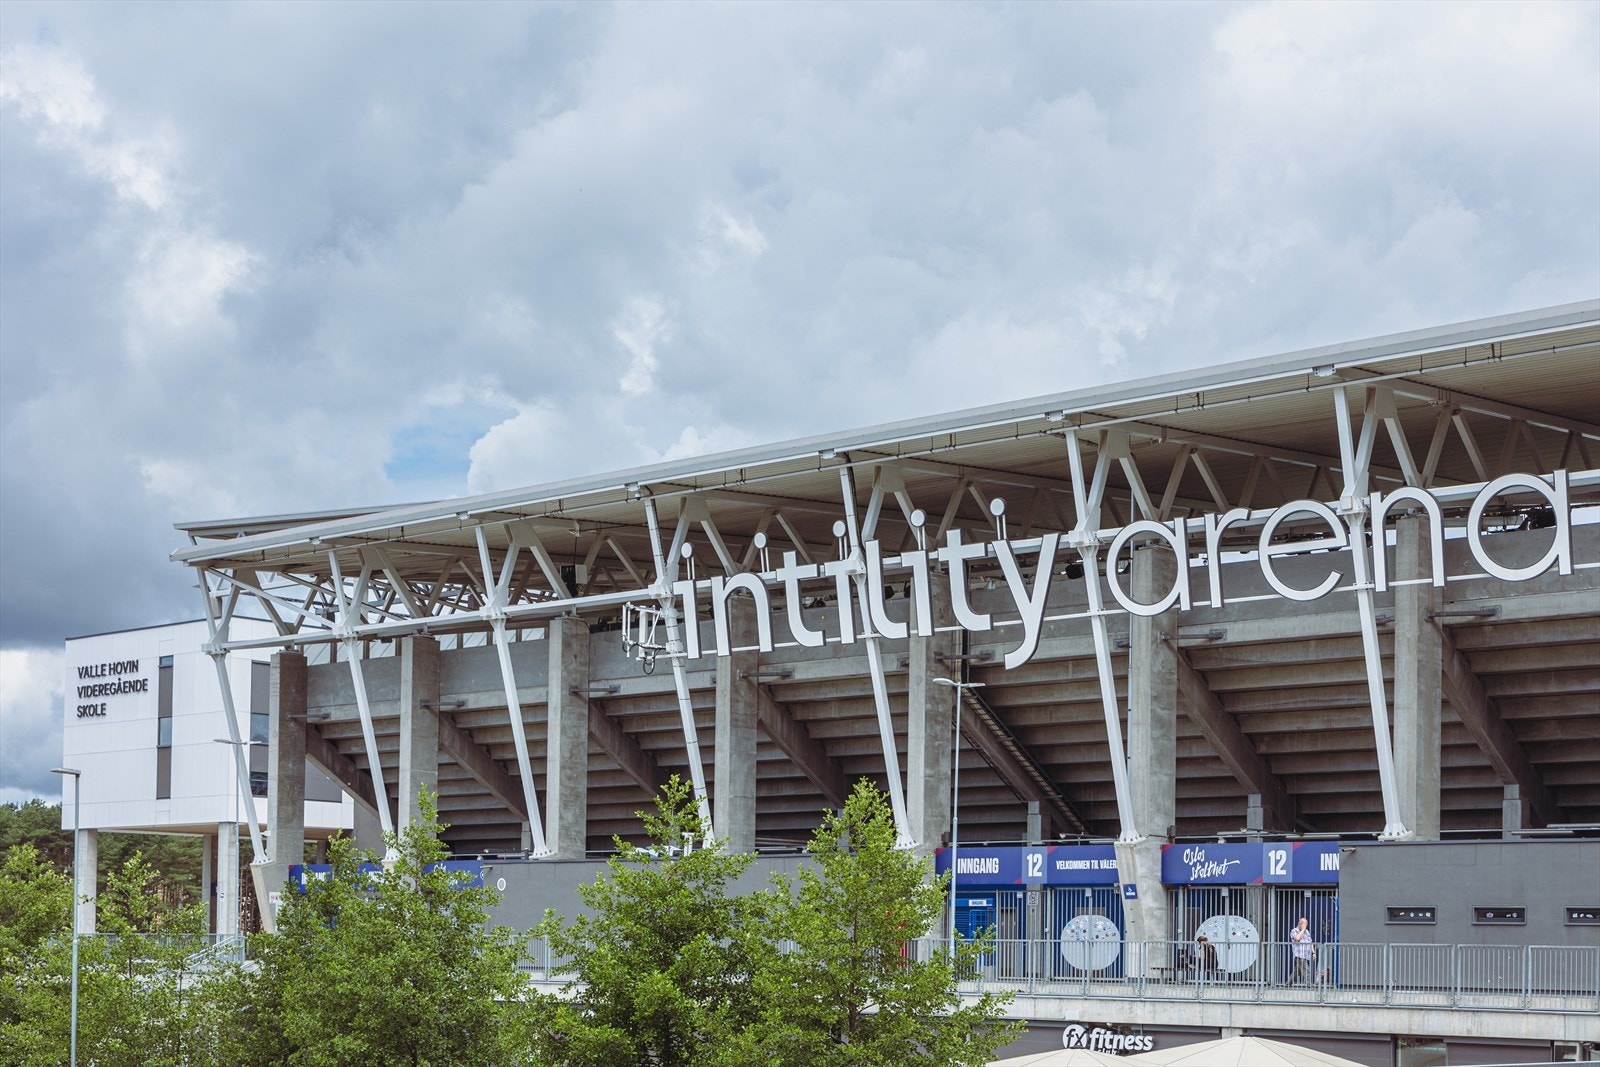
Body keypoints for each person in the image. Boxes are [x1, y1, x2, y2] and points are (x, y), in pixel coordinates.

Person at [1289, 916, 1316, 985]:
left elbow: (1310, 942)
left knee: (1297, 971)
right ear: (1300, 923)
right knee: (1306, 970)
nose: (1306, 926)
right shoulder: (1294, 931)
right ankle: (1309, 984)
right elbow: (1297, 938)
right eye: (1304, 924)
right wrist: (1303, 930)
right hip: (1299, 955)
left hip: (1306, 955)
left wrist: (1313, 953)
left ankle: (1288, 983)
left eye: (1306, 924)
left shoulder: (1307, 932)